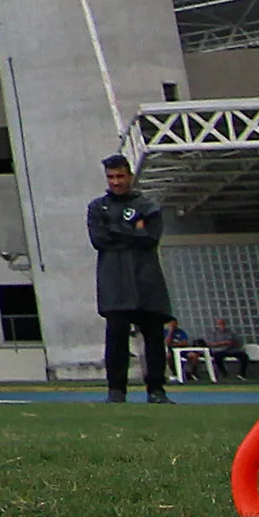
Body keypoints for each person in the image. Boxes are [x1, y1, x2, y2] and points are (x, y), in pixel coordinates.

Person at [88, 153, 174, 404]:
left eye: (120, 176)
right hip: (114, 281)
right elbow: (99, 240)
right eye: (111, 177)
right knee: (115, 339)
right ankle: (116, 391)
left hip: (146, 280)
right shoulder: (97, 207)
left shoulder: (148, 205)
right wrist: (132, 229)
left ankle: (156, 390)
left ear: (130, 176)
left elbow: (150, 238)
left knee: (154, 339)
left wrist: (118, 230)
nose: (116, 182)